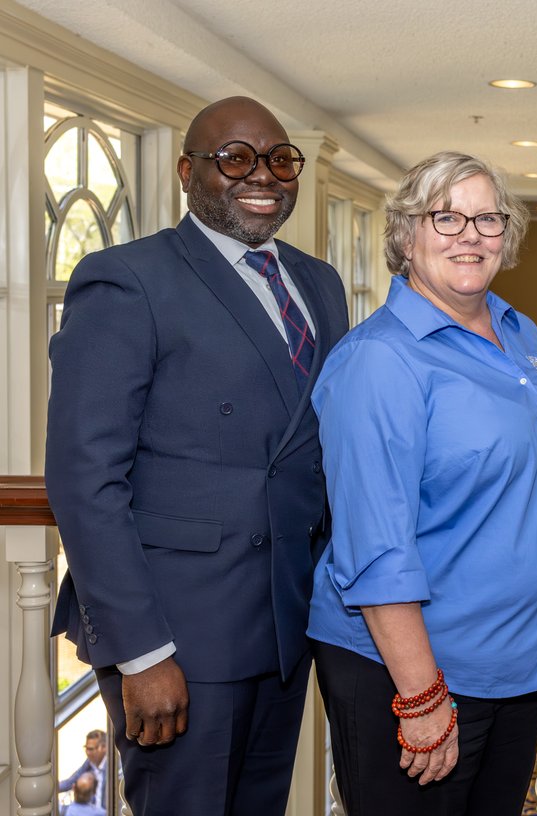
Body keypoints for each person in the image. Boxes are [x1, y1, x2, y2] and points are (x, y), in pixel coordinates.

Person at [45, 96, 350, 816]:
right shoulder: (127, 280)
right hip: (179, 638)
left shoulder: (319, 283)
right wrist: (141, 654)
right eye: (234, 158)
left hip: (285, 624)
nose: (263, 175)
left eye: (280, 159)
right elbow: (85, 477)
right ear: (187, 171)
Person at [307, 151, 537, 816]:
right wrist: (421, 694)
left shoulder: (517, 331)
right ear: (406, 236)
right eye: (447, 217)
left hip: (516, 661)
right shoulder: (381, 360)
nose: (470, 234)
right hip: (415, 670)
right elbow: (375, 548)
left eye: (488, 218)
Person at [58, 730, 107, 807]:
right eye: (86, 748)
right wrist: (50, 788)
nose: (87, 752)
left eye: (91, 749)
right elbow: (71, 781)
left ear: (104, 747)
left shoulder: (114, 766)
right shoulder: (90, 762)